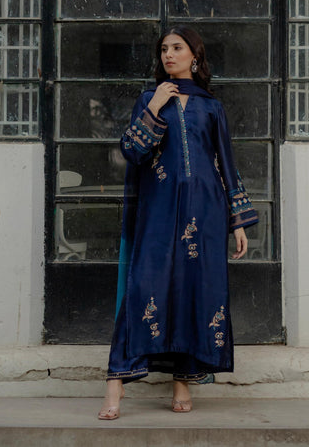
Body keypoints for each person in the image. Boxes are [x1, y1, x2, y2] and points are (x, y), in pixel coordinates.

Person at [98, 25, 258, 419]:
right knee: (142, 288)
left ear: (194, 56)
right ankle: (116, 383)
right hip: (158, 210)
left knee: (192, 292)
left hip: (205, 213)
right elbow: (131, 151)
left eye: (177, 48)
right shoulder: (148, 99)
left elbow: (226, 164)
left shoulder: (211, 107)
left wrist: (237, 220)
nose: (168, 55)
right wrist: (154, 107)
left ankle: (182, 382)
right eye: (164, 49)